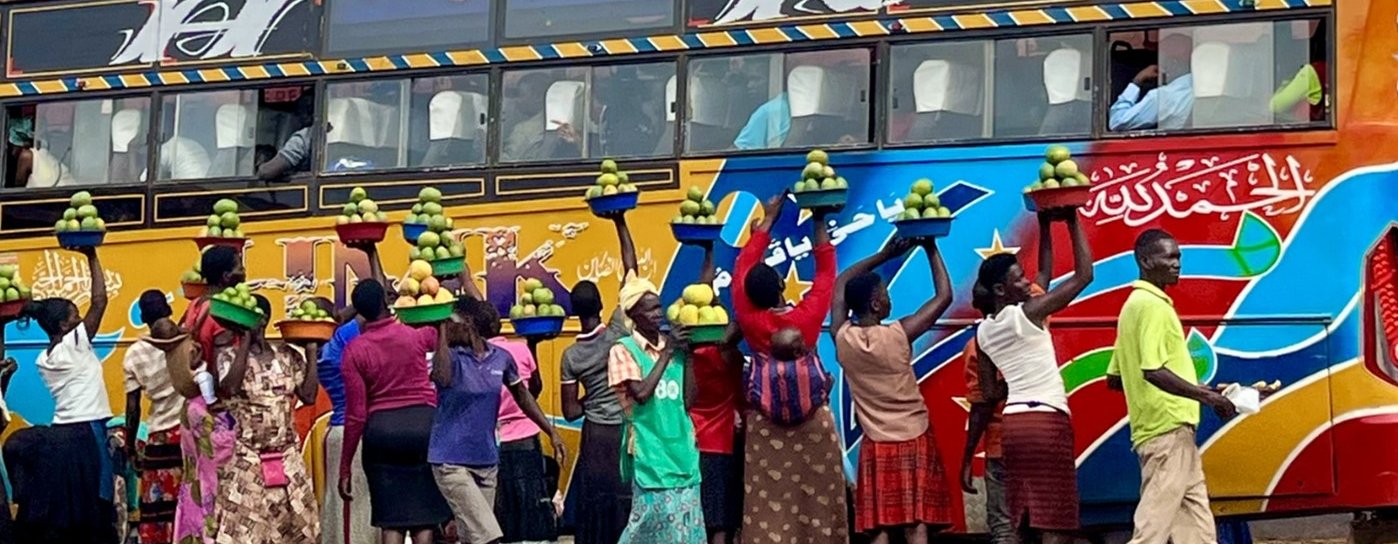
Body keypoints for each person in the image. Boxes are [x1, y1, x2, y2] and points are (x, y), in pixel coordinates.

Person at [1107, 229, 1237, 544]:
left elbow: (1115, 378)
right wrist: (1206, 396)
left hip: (1171, 429)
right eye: (1170, 257)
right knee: (1152, 529)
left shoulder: (1133, 306)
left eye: (1178, 257)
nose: (1177, 264)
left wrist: (1204, 389)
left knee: (1198, 531)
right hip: (1166, 429)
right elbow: (1152, 370)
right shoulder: (1151, 305)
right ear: (1145, 260)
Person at [732, 192, 848, 544]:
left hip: (765, 425)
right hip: (813, 422)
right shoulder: (805, 321)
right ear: (782, 286)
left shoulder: (748, 317)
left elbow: (743, 265)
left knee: (768, 501)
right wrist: (817, 217)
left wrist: (768, 219)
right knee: (820, 496)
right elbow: (827, 271)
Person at [973, 208, 1093, 544]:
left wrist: (1043, 224)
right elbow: (1084, 276)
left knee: (1024, 517)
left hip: (1014, 424)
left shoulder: (983, 332)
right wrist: (1071, 219)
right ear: (1001, 289)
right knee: (1055, 519)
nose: (1028, 282)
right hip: (1045, 420)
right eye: (1019, 279)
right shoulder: (1027, 313)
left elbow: (989, 390)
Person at [831, 237, 954, 544]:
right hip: (914, 436)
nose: (888, 298)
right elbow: (943, 296)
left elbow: (840, 283)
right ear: (876, 304)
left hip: (877, 441)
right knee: (917, 522)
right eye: (884, 294)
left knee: (880, 526)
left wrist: (883, 254)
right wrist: (930, 247)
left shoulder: (842, 337)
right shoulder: (900, 334)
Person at [430, 296, 566, 544]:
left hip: (486, 462)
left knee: (472, 537)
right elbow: (441, 377)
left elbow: (523, 396)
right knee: (489, 535)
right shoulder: (451, 358)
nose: (446, 328)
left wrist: (551, 432)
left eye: (450, 323)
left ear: (467, 323)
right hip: (450, 463)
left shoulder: (501, 358)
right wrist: (440, 330)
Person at [8, 244, 113, 543]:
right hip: (88, 430)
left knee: (74, 507)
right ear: (63, 325)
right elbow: (100, 300)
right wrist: (92, 256)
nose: (81, 319)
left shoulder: (45, 358)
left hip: (62, 431)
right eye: (75, 316)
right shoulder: (74, 344)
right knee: (100, 498)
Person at [339, 279, 451, 544]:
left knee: (392, 519)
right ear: (385, 301)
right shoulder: (414, 335)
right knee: (424, 516)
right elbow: (438, 335)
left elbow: (356, 415)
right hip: (423, 428)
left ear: (360, 313)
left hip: (382, 433)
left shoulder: (354, 350)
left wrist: (345, 467)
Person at [214, 294, 320, 543]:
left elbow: (309, 395)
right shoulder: (229, 356)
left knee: (297, 528)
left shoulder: (287, 356)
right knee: (245, 530)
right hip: (248, 460)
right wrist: (245, 341)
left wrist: (312, 354)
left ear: (262, 320)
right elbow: (230, 388)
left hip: (287, 459)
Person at [559, 210, 638, 544]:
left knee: (595, 505)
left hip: (595, 438)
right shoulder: (619, 332)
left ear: (574, 312)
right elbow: (631, 270)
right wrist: (620, 222)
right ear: (603, 304)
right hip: (623, 432)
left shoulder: (571, 356)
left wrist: (590, 397)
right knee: (625, 501)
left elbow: (570, 412)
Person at [608, 273, 703, 544]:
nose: (658, 314)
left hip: (681, 449)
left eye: (659, 307)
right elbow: (640, 394)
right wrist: (668, 353)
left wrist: (691, 355)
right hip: (651, 452)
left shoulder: (671, 347)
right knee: (650, 527)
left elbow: (689, 401)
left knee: (687, 530)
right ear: (633, 314)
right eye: (650, 309)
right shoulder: (622, 350)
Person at [961, 282, 1046, 544]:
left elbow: (981, 406)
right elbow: (1042, 279)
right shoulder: (1032, 328)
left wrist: (967, 458)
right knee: (1042, 524)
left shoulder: (978, 344)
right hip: (1038, 438)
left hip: (1002, 444)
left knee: (1004, 527)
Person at [174, 245, 244, 544]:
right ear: (228, 275)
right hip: (215, 412)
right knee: (221, 486)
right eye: (240, 265)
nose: (244, 270)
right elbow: (224, 373)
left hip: (192, 409)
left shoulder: (196, 305)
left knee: (195, 484)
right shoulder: (223, 315)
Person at [317, 241, 387, 544]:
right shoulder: (340, 343)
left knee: (346, 504)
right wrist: (372, 252)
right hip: (352, 434)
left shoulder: (321, 352)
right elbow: (376, 296)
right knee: (356, 510)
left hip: (342, 432)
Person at [687, 239, 744, 544]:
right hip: (722, 446)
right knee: (721, 523)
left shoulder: (687, 358)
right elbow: (740, 321)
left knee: (699, 519)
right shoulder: (729, 357)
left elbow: (704, 295)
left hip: (694, 444)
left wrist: (708, 251)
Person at [122, 291, 183, 544]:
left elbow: (133, 408)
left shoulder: (134, 354)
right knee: (188, 498)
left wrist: (131, 447)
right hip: (189, 433)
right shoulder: (185, 341)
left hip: (159, 437)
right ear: (168, 310)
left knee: (158, 504)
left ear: (143, 317)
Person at [1109, 34, 1194, 132]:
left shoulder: (1164, 97)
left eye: (1159, 58)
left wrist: (1136, 82)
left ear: (1172, 63)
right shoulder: (1201, 87)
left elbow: (1117, 122)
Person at [500, 74, 552, 162]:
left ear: (538, 97)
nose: (517, 100)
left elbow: (506, 161)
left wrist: (484, 146)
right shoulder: (553, 122)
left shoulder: (524, 131)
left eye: (521, 95)